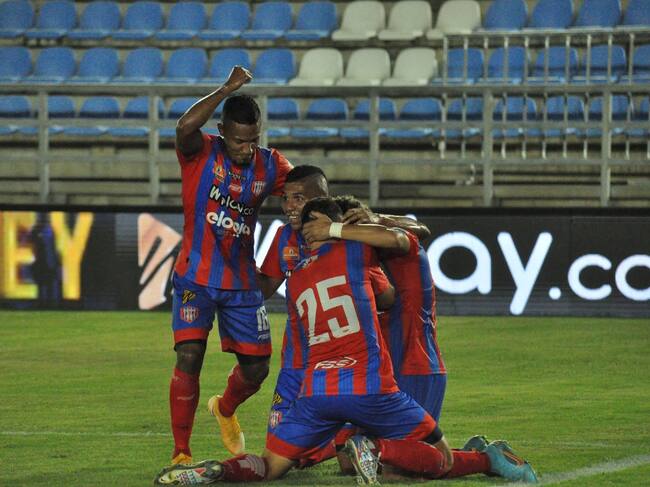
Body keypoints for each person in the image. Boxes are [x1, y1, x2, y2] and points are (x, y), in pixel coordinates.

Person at [154, 197, 538, 485]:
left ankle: (222, 470)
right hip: (381, 376)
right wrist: (341, 232)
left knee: (276, 465)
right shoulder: (359, 251)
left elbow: (408, 235)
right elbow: (393, 270)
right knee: (417, 461)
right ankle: (479, 459)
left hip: (331, 385)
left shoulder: (300, 274)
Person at [166, 65, 293, 467]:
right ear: (222, 132)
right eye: (239, 141)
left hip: (241, 282)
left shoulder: (270, 164)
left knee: (257, 370)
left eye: (253, 140)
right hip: (195, 277)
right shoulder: (200, 151)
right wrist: (225, 89)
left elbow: (304, 191)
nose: (246, 148)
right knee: (189, 355)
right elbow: (184, 126)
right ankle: (182, 452)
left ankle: (224, 407)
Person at [333, 196, 447, 424]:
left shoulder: (405, 249)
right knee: (355, 442)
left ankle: (481, 450)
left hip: (414, 367)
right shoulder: (362, 263)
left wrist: (377, 219)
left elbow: (418, 229)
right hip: (380, 371)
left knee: (410, 445)